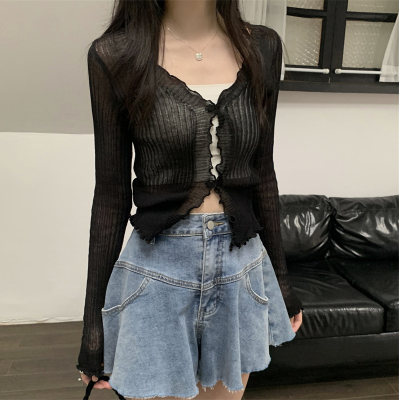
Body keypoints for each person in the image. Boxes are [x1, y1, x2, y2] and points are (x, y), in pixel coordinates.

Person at [77, 0, 304, 399]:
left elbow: (263, 176)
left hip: (241, 266)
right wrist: (93, 328)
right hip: (158, 270)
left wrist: (282, 283)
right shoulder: (115, 55)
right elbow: (111, 197)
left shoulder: (263, 47)